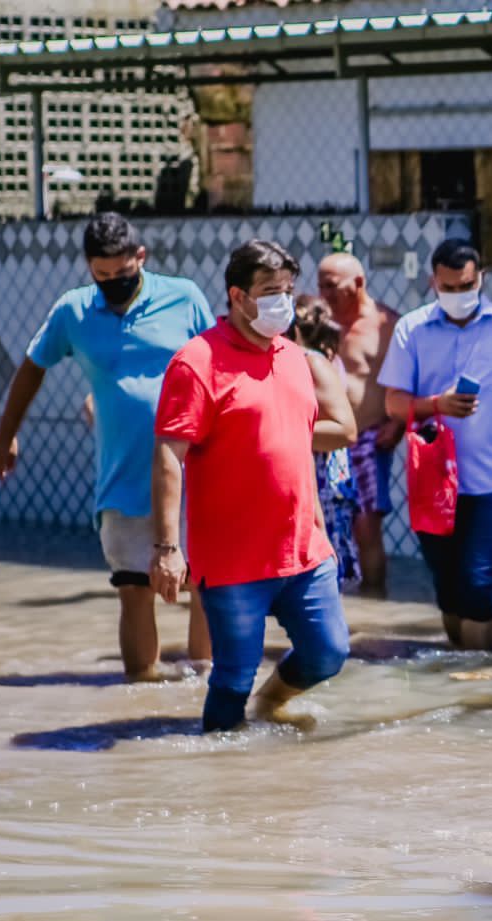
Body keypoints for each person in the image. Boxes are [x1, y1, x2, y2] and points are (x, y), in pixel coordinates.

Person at [0, 211, 213, 681]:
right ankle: (142, 691)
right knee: (134, 590)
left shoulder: (184, 297)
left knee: (205, 587)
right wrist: (6, 434)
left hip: (195, 469)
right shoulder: (74, 310)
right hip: (123, 476)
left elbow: (218, 365)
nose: (113, 283)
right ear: (89, 267)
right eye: (102, 275)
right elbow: (32, 367)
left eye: (123, 273)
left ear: (140, 257)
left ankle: (204, 692)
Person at [150, 240, 356, 733]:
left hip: (303, 549)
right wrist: (167, 548)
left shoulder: (294, 358)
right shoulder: (197, 361)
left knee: (329, 651)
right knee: (233, 675)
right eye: (269, 291)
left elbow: (301, 444)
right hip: (234, 558)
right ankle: (223, 771)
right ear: (237, 296)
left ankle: (270, 704)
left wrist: (321, 534)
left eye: (287, 290)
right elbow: (167, 456)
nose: (281, 302)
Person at [379, 239, 492, 652]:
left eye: (467, 285)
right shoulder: (412, 329)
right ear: (433, 283)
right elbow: (393, 404)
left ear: (482, 279)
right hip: (432, 482)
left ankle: (479, 681)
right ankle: (458, 672)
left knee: (478, 582)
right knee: (448, 587)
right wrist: (436, 405)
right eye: (449, 288)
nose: (459, 295)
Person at [317, 253, 402, 597]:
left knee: (366, 525)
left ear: (359, 284)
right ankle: (331, 601)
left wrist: (396, 425)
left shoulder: (386, 325)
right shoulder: (319, 321)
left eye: (332, 286)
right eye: (321, 284)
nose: (324, 293)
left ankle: (374, 598)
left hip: (367, 438)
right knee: (325, 523)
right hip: (326, 439)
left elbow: (410, 379)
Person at [291, 295, 363, 594]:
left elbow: (343, 427)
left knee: (318, 556)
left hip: (320, 472)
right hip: (337, 473)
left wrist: (281, 429)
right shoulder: (333, 360)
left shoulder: (310, 363)